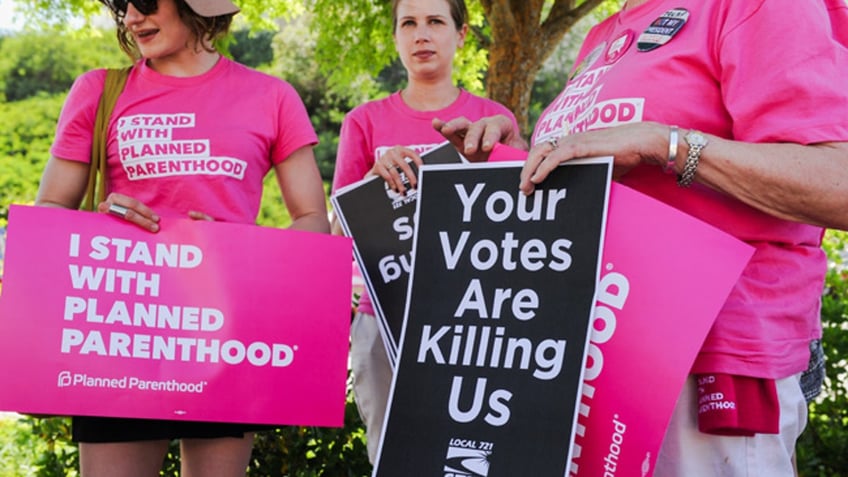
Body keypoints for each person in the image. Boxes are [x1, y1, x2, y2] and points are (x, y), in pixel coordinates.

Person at [435, 0, 848, 475]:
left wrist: (663, 144)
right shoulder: (601, 37)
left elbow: (836, 183)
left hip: (704, 364)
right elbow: (603, 180)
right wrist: (511, 156)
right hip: (591, 359)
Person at [35, 0, 329, 475]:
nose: (131, 17)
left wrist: (240, 251)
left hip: (225, 333)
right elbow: (49, 211)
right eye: (122, 4)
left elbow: (314, 220)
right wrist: (102, 225)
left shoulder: (272, 96)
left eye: (146, 2)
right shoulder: (98, 90)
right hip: (120, 336)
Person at [330, 0, 520, 463]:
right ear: (395, 37)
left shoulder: (494, 118)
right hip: (382, 320)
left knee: (470, 456)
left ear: (461, 35)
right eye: (408, 24)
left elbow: (528, 222)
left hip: (475, 322)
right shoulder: (364, 121)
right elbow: (337, 234)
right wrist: (373, 188)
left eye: (436, 21)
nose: (421, 35)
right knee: (393, 456)